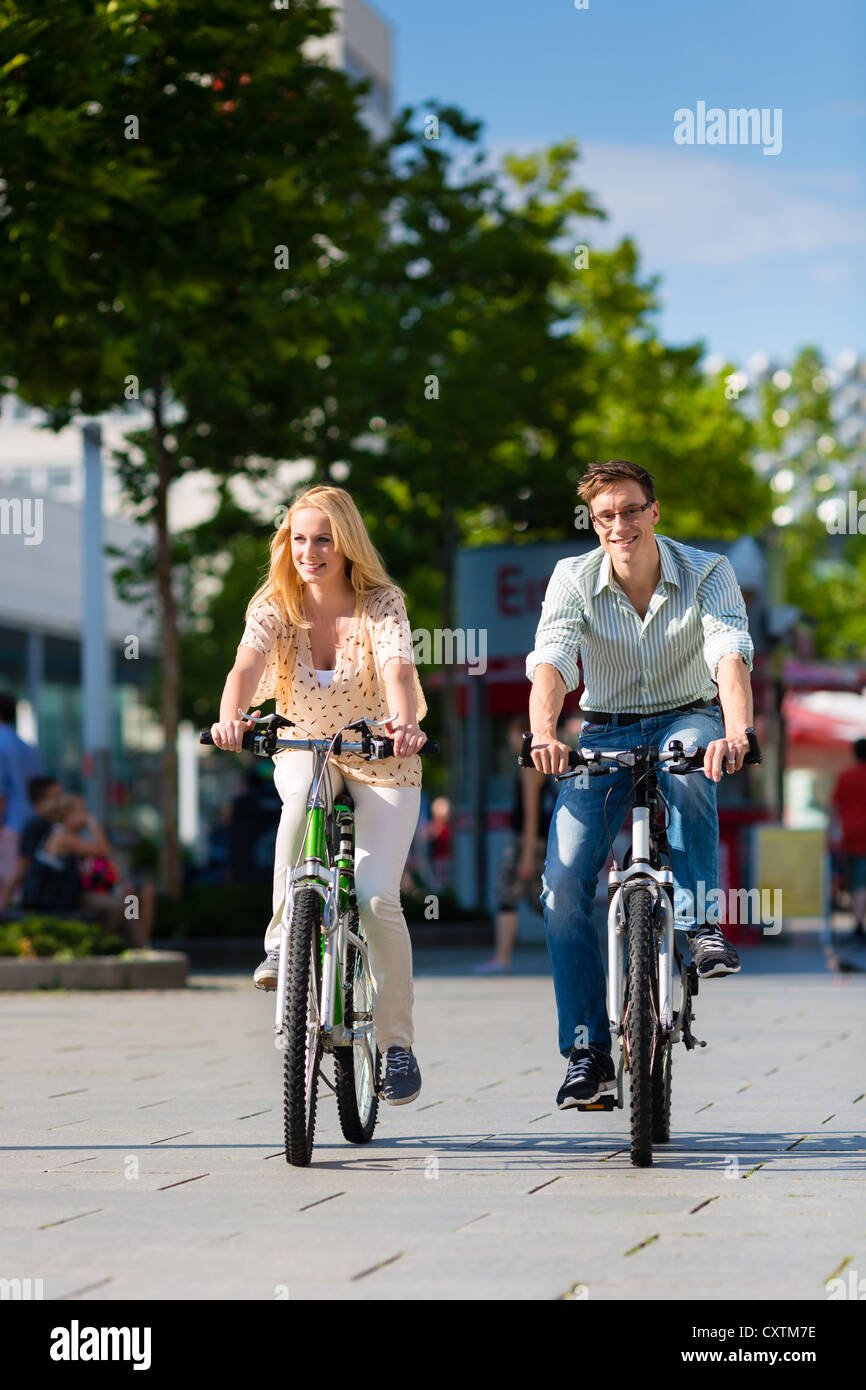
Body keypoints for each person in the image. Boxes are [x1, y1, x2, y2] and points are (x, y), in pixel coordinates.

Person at [526, 459, 757, 1110]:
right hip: (604, 730)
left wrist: (735, 732)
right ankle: (588, 1053)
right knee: (563, 887)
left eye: (631, 510)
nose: (619, 525)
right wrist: (544, 734)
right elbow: (552, 661)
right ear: (594, 522)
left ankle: (700, 923)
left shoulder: (708, 572)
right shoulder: (573, 578)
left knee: (688, 760)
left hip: (688, 714)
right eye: (605, 515)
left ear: (654, 512)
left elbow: (729, 654)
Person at [210, 485, 429, 1106]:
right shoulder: (274, 605)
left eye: (324, 539)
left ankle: (396, 1045)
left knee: (377, 895)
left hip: (383, 757)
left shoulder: (382, 602)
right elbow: (244, 668)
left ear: (347, 543)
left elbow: (398, 669)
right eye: (299, 539)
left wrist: (404, 722)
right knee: (301, 794)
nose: (310, 552)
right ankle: (283, 940)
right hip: (305, 747)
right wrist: (230, 718)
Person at [476, 717, 557, 974]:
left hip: (526, 842)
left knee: (507, 898)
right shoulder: (533, 763)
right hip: (531, 841)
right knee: (541, 902)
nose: (509, 738)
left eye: (512, 733)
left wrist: (526, 855)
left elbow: (532, 813)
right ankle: (563, 952)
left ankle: (502, 958)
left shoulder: (531, 765)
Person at [19, 793, 153, 945]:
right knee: (124, 904)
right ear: (69, 815)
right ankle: (114, 944)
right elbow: (104, 851)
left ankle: (131, 944)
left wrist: (118, 883)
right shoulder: (63, 836)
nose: (86, 815)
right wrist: (93, 823)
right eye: (82, 811)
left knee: (130, 900)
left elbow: (99, 864)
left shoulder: (69, 835)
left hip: (69, 893)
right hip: (57, 897)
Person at [0, 692, 45, 893]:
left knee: (6, 887)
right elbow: (42, 788)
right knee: (23, 886)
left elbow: (1, 794)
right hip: (32, 823)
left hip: (9, 826)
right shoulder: (28, 746)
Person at [0, 775, 62, 912]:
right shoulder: (35, 825)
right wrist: (5, 898)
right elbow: (23, 864)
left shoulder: (55, 824)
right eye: (55, 797)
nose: (60, 801)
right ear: (39, 800)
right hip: (43, 897)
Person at [830, 738, 866, 938]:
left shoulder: (846, 776)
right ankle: (859, 924)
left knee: (857, 881)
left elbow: (834, 807)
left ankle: (858, 922)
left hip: (851, 836)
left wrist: (831, 833)